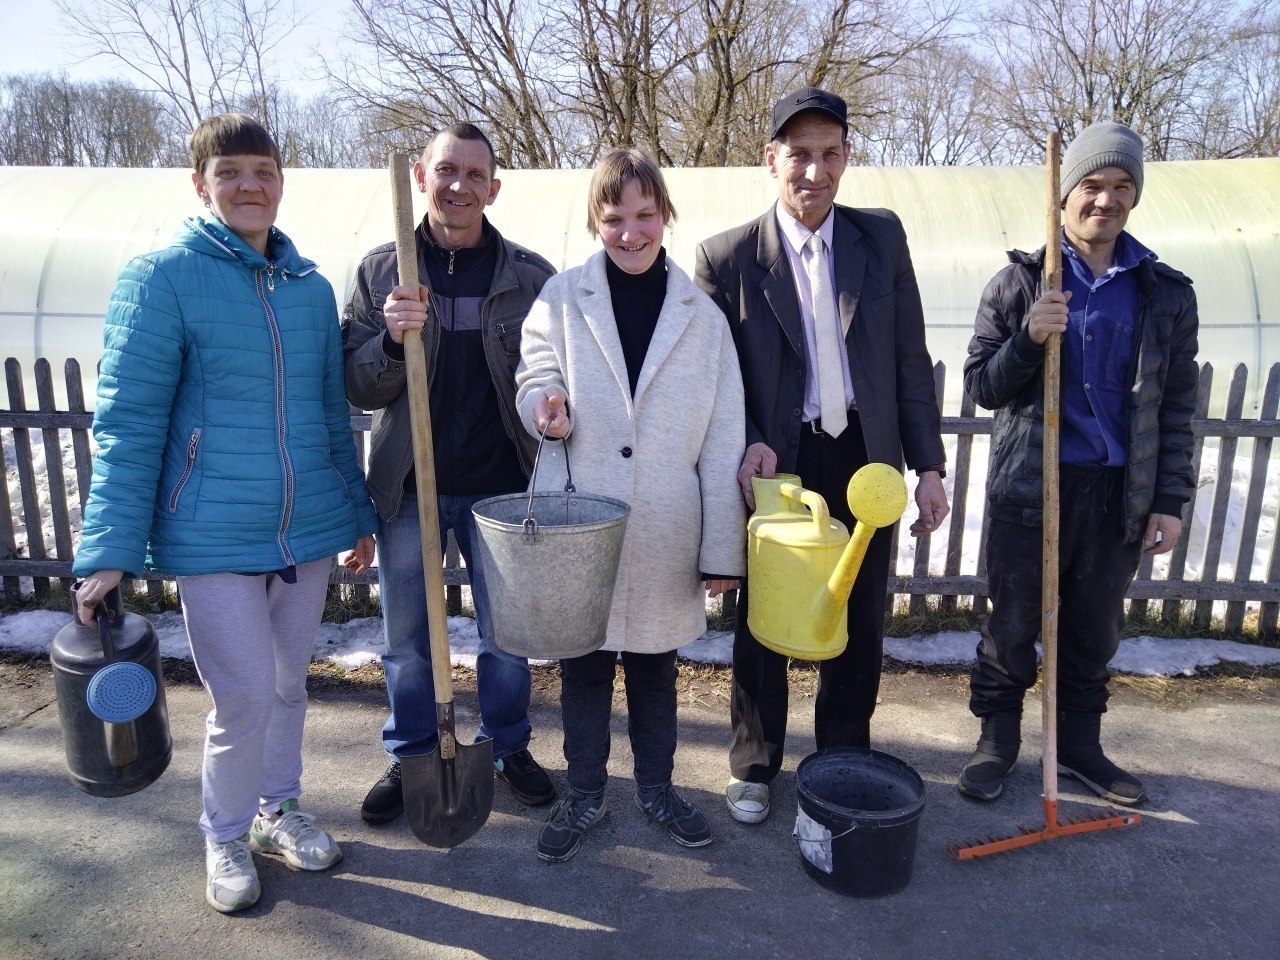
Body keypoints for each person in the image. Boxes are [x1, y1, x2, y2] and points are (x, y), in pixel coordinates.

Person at [72, 113, 378, 914]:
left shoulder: (308, 290)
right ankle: (223, 833)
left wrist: (353, 512)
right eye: (231, 171)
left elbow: (325, 414)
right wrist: (107, 548)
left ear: (282, 182)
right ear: (201, 181)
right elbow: (130, 419)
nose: (250, 186)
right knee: (242, 695)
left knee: (287, 689)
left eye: (264, 172)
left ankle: (279, 810)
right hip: (211, 533)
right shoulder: (163, 275)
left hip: (304, 528)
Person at [694, 87, 950, 825]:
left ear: (847, 158)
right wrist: (746, 442)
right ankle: (753, 764)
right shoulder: (729, 258)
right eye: (798, 155)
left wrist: (927, 466)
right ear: (770, 160)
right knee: (766, 617)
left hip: (865, 459)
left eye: (829, 154)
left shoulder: (880, 240)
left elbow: (909, 357)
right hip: (779, 464)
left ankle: (841, 758)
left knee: (859, 615)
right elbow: (717, 373)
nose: (814, 171)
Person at [515, 148, 747, 862]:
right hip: (580, 519)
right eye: (614, 217)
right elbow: (535, 374)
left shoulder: (701, 318)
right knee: (583, 666)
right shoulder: (560, 297)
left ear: (665, 214)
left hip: (665, 527)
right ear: (597, 219)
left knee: (654, 667)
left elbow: (723, 439)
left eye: (645, 215)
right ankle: (585, 793)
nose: (630, 232)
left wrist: (721, 553)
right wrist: (542, 405)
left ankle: (657, 790)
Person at [959, 121, 1199, 806]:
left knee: (1093, 628)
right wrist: (1031, 338)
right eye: (1092, 184)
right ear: (1064, 196)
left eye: (1122, 186)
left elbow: (1177, 407)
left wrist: (1170, 499)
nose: (1106, 198)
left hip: (1117, 492)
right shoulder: (1019, 284)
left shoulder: (1163, 294)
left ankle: (1080, 747)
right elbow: (982, 388)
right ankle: (997, 741)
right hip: (1030, 488)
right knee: (1012, 626)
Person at [342, 123, 556, 825]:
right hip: (409, 488)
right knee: (405, 641)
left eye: (474, 175)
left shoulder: (530, 276)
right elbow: (357, 386)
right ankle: (411, 752)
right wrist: (386, 339)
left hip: (500, 488)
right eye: (446, 171)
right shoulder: (382, 271)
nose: (459, 186)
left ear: (493, 188)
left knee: (507, 638)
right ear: (421, 179)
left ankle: (504, 747)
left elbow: (554, 374)